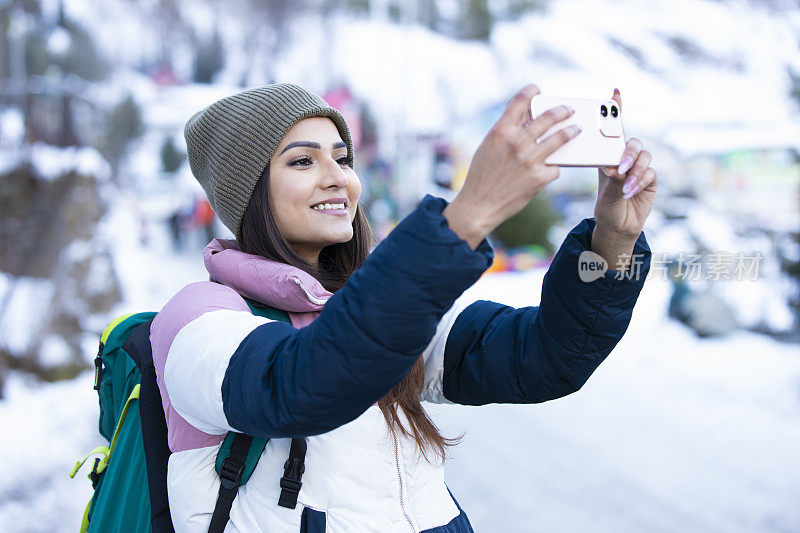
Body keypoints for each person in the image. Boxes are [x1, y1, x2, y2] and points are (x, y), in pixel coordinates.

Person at [150, 83, 656, 532]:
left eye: (342, 158)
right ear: (248, 192)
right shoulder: (198, 317)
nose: (337, 179)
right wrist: (469, 212)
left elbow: (547, 357)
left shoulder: (379, 307)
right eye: (303, 161)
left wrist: (614, 237)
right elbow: (299, 384)